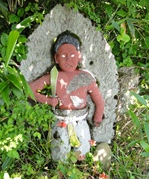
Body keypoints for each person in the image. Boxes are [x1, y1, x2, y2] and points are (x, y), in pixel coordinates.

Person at [29, 31, 105, 161]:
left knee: (83, 151)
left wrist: (97, 118)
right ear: (56, 58)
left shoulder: (85, 77)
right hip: (60, 121)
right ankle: (60, 172)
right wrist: (47, 100)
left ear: (79, 56)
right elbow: (29, 89)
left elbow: (99, 100)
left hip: (81, 121)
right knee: (60, 151)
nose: (68, 59)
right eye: (63, 55)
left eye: (72, 55)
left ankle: (80, 171)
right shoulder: (54, 77)